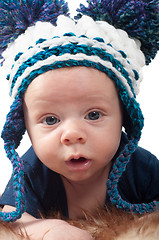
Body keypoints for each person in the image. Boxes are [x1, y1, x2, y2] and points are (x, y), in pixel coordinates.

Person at [0, 0, 158, 239]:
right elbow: (10, 215)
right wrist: (48, 229)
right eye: (51, 119)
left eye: (93, 115)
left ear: (124, 117)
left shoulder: (140, 167)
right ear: (25, 127)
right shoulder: (31, 172)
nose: (72, 133)